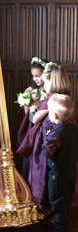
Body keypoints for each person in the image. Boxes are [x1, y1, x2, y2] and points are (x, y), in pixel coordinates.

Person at [17, 64, 71, 210]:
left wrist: (32, 107)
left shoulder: (51, 99)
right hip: (61, 142)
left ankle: (45, 205)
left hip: (47, 142)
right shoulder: (65, 98)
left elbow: (35, 119)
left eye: (45, 81)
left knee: (44, 175)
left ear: (52, 82)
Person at [43, 93, 78, 232]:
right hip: (71, 171)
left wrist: (46, 139)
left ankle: (60, 228)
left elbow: (48, 153)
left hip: (57, 174)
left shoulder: (55, 134)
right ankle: (62, 224)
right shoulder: (74, 129)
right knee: (66, 199)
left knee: (56, 200)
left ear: (55, 115)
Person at [17, 57, 47, 181]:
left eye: (38, 75)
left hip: (42, 127)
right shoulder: (35, 91)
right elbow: (28, 116)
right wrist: (26, 101)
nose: (35, 79)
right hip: (32, 126)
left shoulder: (49, 92)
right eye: (33, 76)